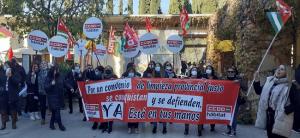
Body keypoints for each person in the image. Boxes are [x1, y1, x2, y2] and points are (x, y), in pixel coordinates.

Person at [253, 65, 293, 138]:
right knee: (270, 135)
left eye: (282, 69)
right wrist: (256, 80)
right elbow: (259, 91)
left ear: (287, 73)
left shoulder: (290, 85)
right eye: (278, 68)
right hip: (269, 117)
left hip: (280, 118)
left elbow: (296, 102)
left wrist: (285, 110)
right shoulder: (270, 82)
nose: (278, 70)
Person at [222, 67, 248, 136]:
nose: (230, 73)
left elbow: (245, 88)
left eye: (232, 72)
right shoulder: (224, 79)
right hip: (227, 101)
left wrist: (239, 82)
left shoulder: (239, 79)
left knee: (233, 116)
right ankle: (228, 130)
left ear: (235, 72)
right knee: (227, 115)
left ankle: (233, 131)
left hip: (236, 101)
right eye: (229, 71)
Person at [45, 66, 66, 131]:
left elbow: (64, 83)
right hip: (52, 97)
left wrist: (70, 87)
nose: (57, 71)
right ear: (52, 71)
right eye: (55, 70)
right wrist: (51, 84)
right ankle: (60, 125)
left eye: (57, 70)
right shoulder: (48, 78)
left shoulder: (59, 77)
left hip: (59, 96)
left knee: (54, 112)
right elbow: (46, 88)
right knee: (57, 111)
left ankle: (51, 125)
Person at [0, 61, 20, 129]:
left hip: (12, 95)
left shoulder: (15, 73)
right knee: (3, 110)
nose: (5, 67)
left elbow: (17, 82)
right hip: (3, 95)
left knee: (13, 110)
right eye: (4, 65)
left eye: (7, 65)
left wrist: (11, 76)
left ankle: (13, 124)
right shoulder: (2, 73)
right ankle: (3, 124)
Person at [184, 66, 203, 136]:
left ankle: (199, 130)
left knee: (199, 115)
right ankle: (186, 129)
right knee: (187, 115)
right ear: (191, 71)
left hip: (198, 100)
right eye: (193, 70)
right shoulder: (187, 79)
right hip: (188, 100)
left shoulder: (201, 79)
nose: (194, 71)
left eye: (195, 70)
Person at [123, 67, 141, 134]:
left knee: (136, 113)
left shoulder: (137, 78)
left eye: (132, 71)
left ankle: (136, 128)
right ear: (128, 72)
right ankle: (129, 127)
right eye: (130, 71)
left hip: (136, 98)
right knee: (129, 113)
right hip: (128, 98)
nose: (131, 73)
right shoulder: (125, 79)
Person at [151, 62, 168, 134]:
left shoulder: (165, 73)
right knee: (155, 112)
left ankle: (164, 127)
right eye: (156, 66)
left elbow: (169, 83)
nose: (157, 67)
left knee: (163, 112)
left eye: (158, 65)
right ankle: (155, 126)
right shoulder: (153, 74)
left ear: (161, 67)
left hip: (163, 96)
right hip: (154, 96)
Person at [101, 66, 117, 134]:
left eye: (109, 69)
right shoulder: (102, 76)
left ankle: (110, 126)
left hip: (111, 97)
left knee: (110, 112)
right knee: (104, 111)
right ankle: (104, 126)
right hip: (103, 96)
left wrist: (114, 80)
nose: (108, 70)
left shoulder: (114, 76)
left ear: (111, 70)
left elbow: (118, 84)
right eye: (106, 69)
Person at [203, 65, 217, 132]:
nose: (208, 69)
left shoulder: (215, 77)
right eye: (207, 68)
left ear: (212, 70)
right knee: (203, 111)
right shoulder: (203, 76)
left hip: (213, 97)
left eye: (210, 68)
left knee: (212, 111)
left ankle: (212, 126)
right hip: (204, 97)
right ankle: (201, 124)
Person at [91, 65, 104, 130]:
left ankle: (102, 123)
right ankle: (95, 123)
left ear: (101, 71)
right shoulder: (94, 77)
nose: (96, 72)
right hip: (95, 96)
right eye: (95, 71)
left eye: (97, 71)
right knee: (96, 109)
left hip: (102, 97)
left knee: (101, 110)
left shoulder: (104, 77)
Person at [290, 65, 300, 133]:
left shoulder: (297, 70)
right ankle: (296, 126)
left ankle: (296, 126)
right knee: (297, 109)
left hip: (296, 93)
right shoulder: (297, 70)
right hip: (297, 93)